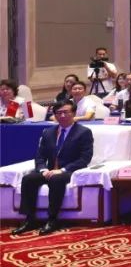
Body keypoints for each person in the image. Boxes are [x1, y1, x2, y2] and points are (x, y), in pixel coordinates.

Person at [11, 100, 95, 236]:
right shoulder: (48, 132)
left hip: (70, 171)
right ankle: (30, 219)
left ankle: (52, 219)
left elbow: (85, 158)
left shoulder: (83, 132)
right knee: (28, 179)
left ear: (74, 113)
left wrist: (62, 170)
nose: (62, 116)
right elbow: (40, 156)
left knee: (56, 179)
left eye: (66, 112)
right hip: (49, 171)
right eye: (58, 113)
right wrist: (43, 169)